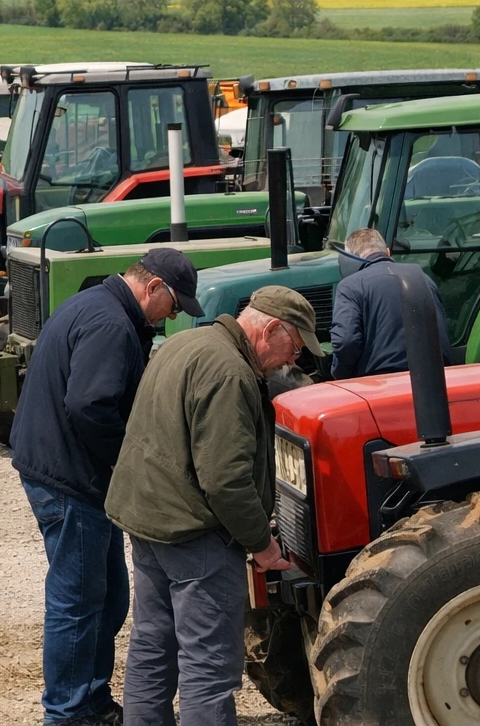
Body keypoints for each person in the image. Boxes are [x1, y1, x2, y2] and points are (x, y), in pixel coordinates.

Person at [106, 285, 319, 726]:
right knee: (209, 667)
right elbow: (225, 481)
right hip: (195, 535)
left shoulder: (185, 343)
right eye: (295, 348)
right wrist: (261, 545)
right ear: (273, 329)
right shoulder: (231, 374)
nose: (291, 362)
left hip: (149, 522)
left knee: (152, 648)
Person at [10, 249, 203, 726]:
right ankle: (69, 713)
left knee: (111, 595)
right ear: (153, 287)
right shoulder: (112, 324)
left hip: (62, 469)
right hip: (72, 479)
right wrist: (129, 461)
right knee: (77, 601)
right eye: (174, 306)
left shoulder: (94, 304)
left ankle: (90, 699)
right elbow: (90, 405)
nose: (172, 317)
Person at [331, 227, 449, 379]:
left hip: (381, 384)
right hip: (432, 379)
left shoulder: (349, 286)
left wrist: (339, 376)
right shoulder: (424, 279)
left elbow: (345, 342)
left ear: (352, 258)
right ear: (387, 252)